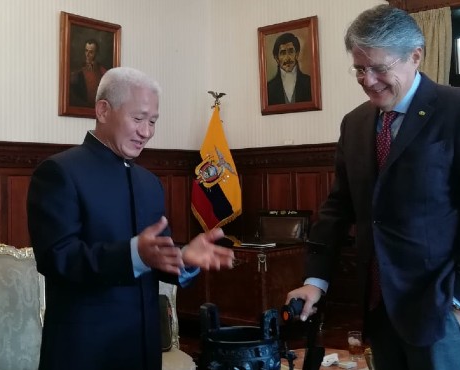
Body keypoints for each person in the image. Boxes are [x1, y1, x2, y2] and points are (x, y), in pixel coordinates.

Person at [285, 5, 460, 370]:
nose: (367, 80)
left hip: (442, 312)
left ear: (415, 56)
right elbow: (339, 207)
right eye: (359, 69)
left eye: (379, 68)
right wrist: (315, 280)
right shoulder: (355, 123)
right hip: (379, 310)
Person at [27, 67, 235, 370]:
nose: (146, 132)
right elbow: (57, 258)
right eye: (138, 119)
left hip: (143, 352)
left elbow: (155, 253)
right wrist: (132, 255)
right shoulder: (59, 173)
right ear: (103, 110)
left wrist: (183, 258)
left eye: (152, 121)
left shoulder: (149, 183)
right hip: (84, 353)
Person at [266, 32, 312, 105]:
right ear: (276, 58)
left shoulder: (310, 83)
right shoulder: (268, 88)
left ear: (297, 54)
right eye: (283, 53)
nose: (287, 58)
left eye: (291, 52)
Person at [70, 39, 107, 107]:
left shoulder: (102, 71)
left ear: (96, 53)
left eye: (91, 52)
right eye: (86, 51)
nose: (87, 54)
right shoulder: (78, 70)